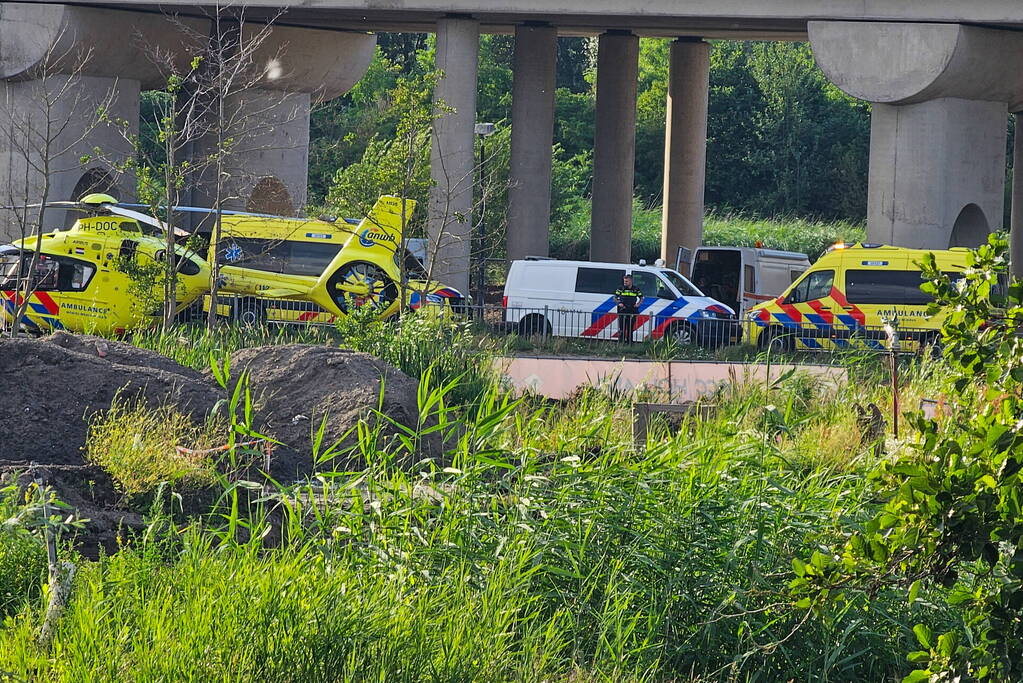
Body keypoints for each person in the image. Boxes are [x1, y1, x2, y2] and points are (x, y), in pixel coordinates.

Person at [614, 274, 643, 344]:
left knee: (630, 328)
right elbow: (615, 298)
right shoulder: (621, 288)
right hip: (622, 310)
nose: (625, 282)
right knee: (622, 328)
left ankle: (629, 342)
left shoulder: (636, 289)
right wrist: (619, 303)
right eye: (624, 281)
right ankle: (621, 342)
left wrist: (638, 304)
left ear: (631, 281)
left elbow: (641, 298)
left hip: (632, 311)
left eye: (626, 281)